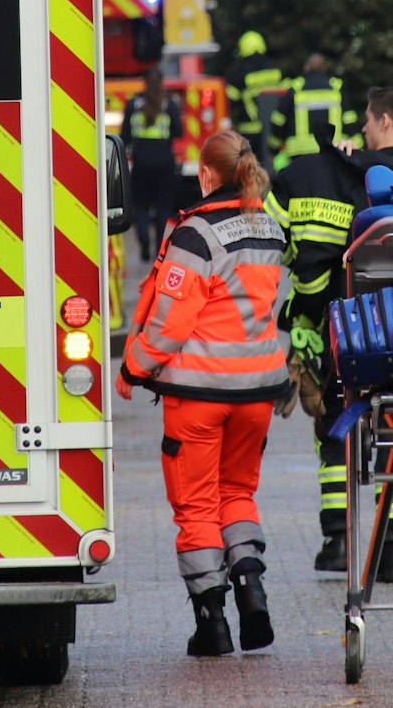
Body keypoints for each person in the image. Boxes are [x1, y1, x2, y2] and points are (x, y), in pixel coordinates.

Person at [118, 130, 290, 657]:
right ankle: (251, 589)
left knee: (195, 507)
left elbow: (170, 324)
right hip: (257, 391)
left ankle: (212, 621)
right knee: (237, 495)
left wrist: (132, 367)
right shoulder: (270, 228)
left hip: (199, 394)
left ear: (208, 173)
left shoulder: (195, 235)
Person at [264, 85, 393, 581]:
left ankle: (339, 543)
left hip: (352, 333)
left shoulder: (347, 178)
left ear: (383, 121)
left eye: (366, 119)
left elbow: (323, 255)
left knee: (337, 427)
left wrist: (303, 323)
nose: (360, 127)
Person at [121, 67, 184, 260]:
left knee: (140, 204)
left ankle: (143, 238)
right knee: (163, 207)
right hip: (165, 160)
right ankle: (159, 248)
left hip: (141, 160)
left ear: (144, 81)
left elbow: (125, 135)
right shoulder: (170, 104)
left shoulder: (134, 103)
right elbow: (179, 131)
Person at [270, 53, 359, 170]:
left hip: (299, 156)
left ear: (306, 67)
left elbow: (278, 121)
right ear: (324, 68)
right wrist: (358, 150)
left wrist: (273, 148)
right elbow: (350, 121)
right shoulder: (337, 88)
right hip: (332, 153)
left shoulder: (295, 89)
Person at [224, 31, 287, 171]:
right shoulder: (275, 69)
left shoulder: (239, 73)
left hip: (250, 132)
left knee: (250, 170)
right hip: (274, 128)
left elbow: (230, 102)